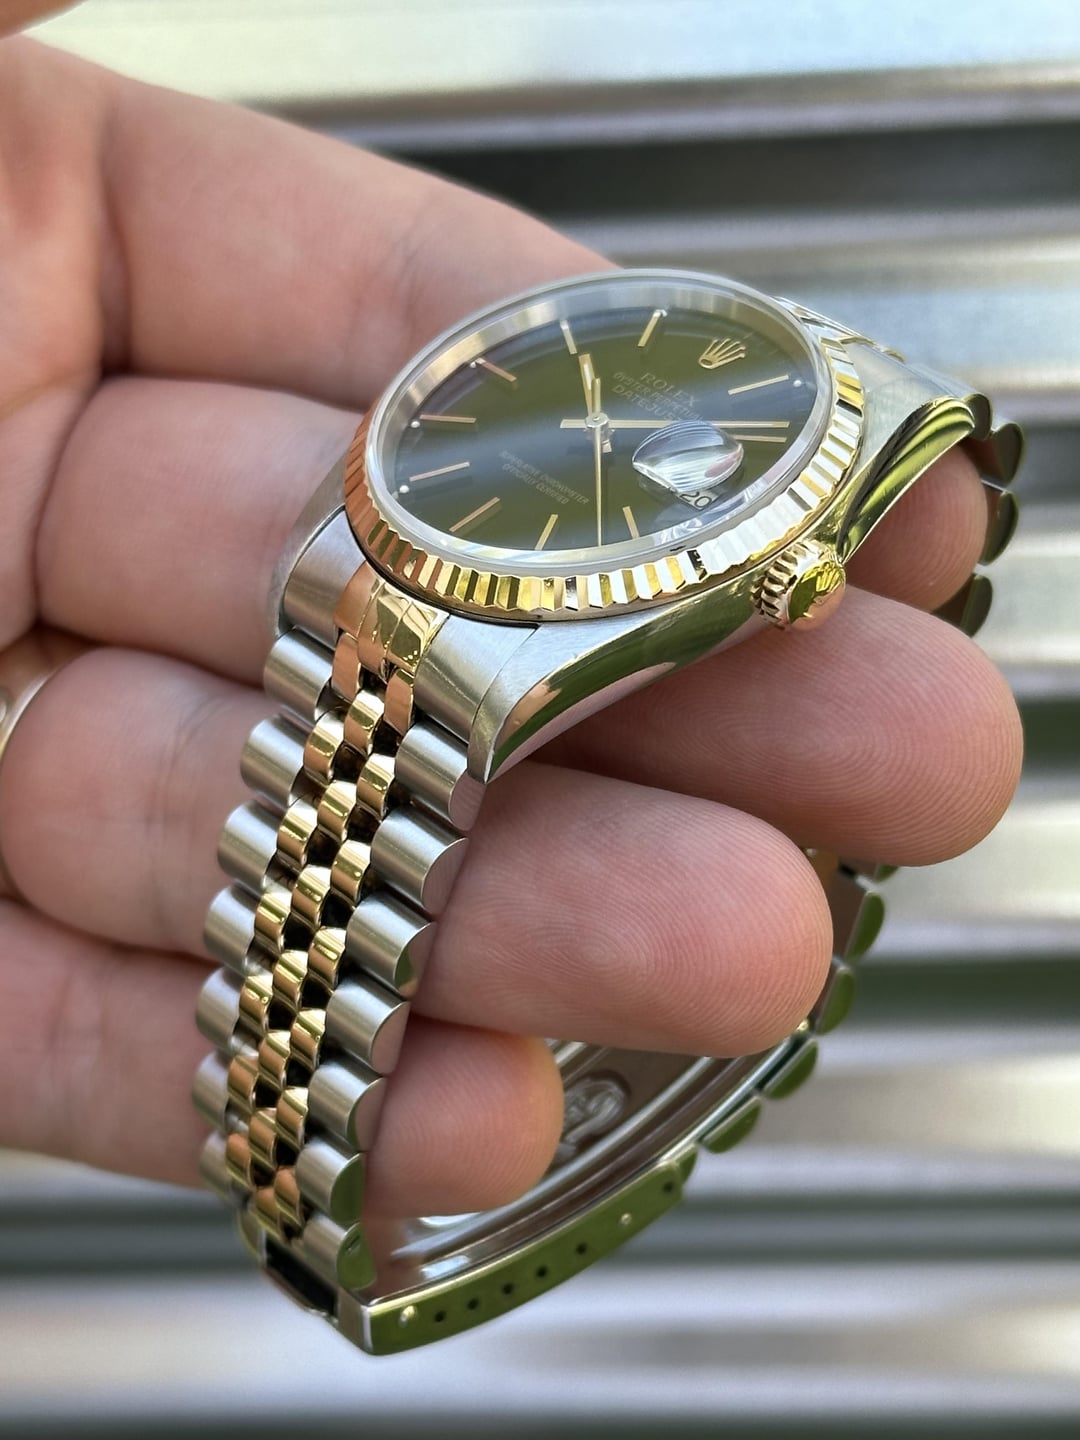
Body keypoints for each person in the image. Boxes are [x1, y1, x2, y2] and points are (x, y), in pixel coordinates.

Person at [0, 14, 1022, 1225]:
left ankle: (305, 1179)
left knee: (757, 876)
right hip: (413, 532)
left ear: (792, 578)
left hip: (495, 585)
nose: (599, 425)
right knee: (368, 885)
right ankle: (296, 1168)